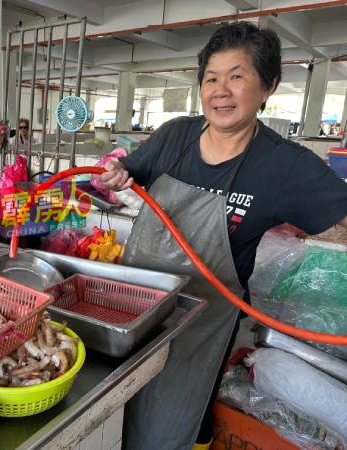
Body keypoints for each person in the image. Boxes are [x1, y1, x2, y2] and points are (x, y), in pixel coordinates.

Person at [99, 22, 347, 450]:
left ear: (267, 86)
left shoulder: (284, 166)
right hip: (136, 308)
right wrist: (114, 175)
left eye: (237, 76)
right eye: (211, 78)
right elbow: (124, 175)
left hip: (203, 327)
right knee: (111, 416)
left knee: (171, 423)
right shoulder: (175, 135)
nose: (221, 90)